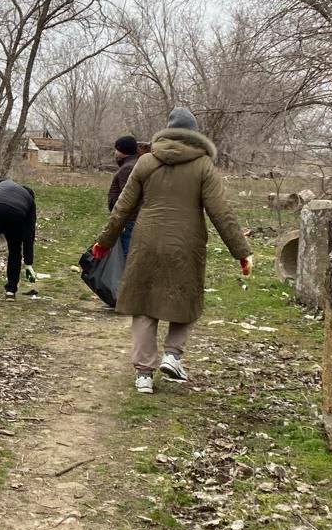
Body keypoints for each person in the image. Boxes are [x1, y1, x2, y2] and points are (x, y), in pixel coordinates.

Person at [91, 107, 252, 395]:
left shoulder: (145, 162)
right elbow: (221, 212)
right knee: (185, 298)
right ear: (194, 133)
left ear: (167, 130)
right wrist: (241, 251)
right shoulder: (203, 165)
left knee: (143, 305)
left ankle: (143, 374)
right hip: (186, 243)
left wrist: (103, 242)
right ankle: (172, 355)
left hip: (146, 241)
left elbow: (122, 208)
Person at [107, 135, 140, 256]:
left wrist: (120, 220)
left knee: (127, 256)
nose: (115, 153)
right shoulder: (134, 164)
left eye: (116, 149)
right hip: (130, 221)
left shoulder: (127, 168)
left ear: (122, 151)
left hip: (128, 221)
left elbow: (128, 198)